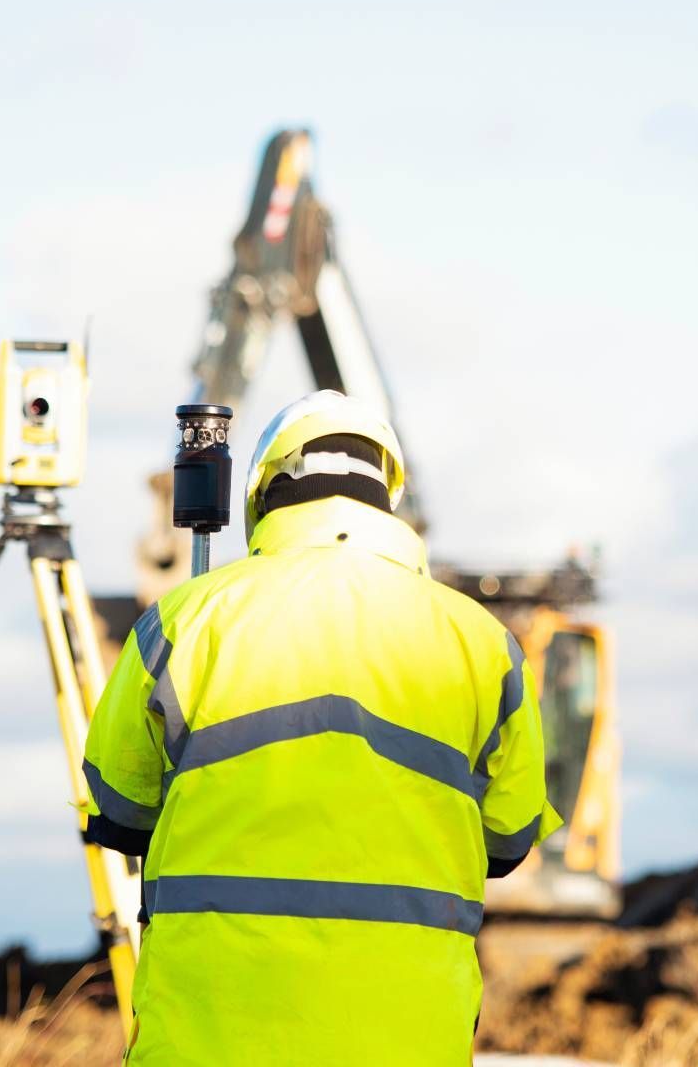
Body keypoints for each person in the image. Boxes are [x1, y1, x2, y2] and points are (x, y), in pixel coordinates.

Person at [80, 389, 559, 1065]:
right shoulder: (483, 644)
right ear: (387, 495)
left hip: (209, 1039)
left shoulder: (183, 619)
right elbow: (509, 840)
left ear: (264, 493)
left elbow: (120, 808)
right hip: (406, 1040)